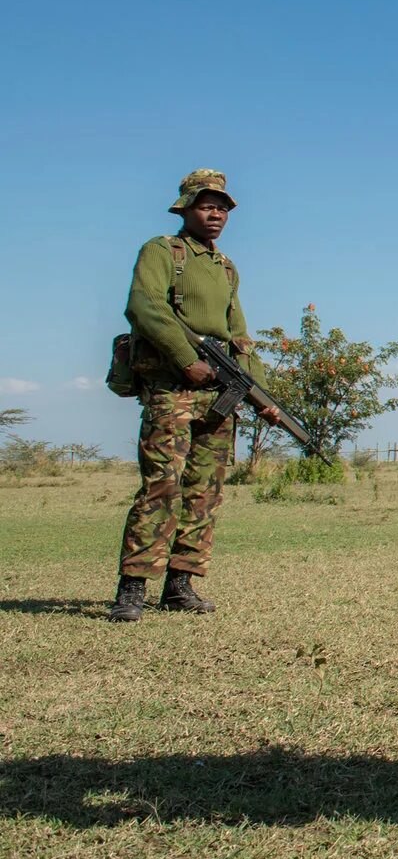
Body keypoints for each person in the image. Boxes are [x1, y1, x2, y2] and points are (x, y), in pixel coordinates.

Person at [109, 170, 281, 622]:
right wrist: (187, 359)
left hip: (219, 394)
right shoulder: (163, 251)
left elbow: (240, 337)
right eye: (207, 205)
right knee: (162, 485)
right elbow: (144, 306)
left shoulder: (226, 267)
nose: (217, 213)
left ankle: (180, 585)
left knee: (204, 491)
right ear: (185, 207)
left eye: (223, 207)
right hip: (173, 388)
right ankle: (131, 588)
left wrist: (260, 394)